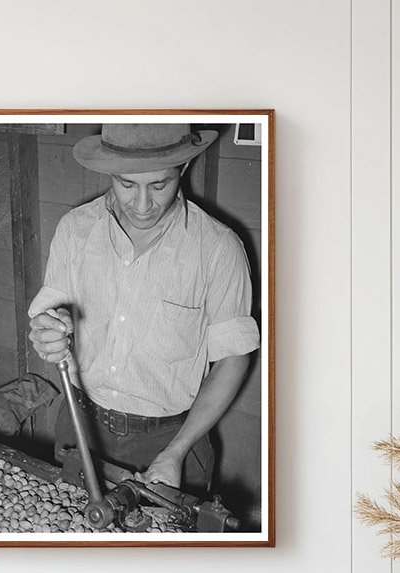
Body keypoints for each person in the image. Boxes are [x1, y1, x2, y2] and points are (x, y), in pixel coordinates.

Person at [27, 122, 260, 492]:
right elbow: (49, 317)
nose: (142, 205)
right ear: (108, 173)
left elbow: (234, 358)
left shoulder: (218, 248)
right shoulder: (75, 230)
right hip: (79, 422)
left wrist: (176, 452)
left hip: (170, 439)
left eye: (159, 185)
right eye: (126, 184)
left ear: (183, 169)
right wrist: (48, 333)